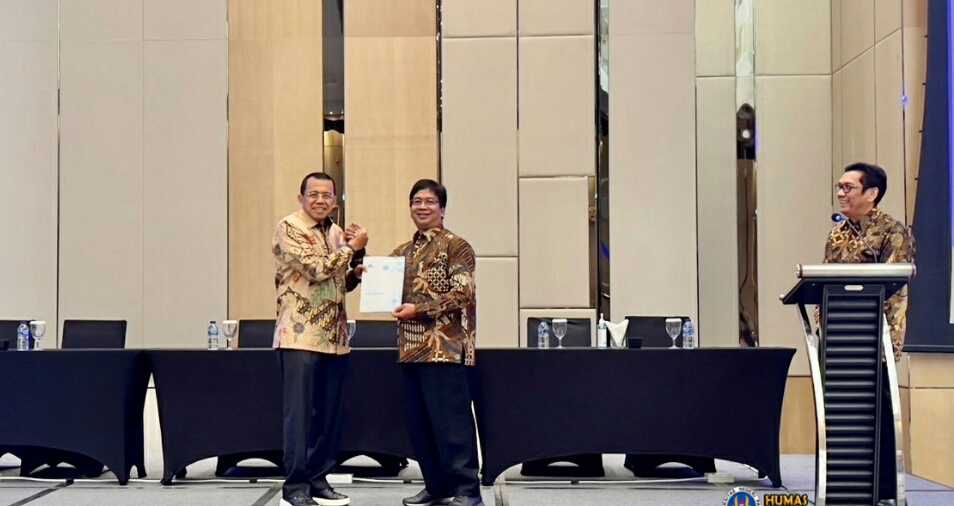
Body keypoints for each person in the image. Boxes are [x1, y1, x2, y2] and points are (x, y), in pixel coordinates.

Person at [272, 172, 368, 506]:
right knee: (299, 416)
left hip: (335, 338)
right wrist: (352, 249)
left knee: (329, 416)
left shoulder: (336, 232)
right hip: (299, 336)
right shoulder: (289, 227)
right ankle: (295, 486)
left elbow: (337, 281)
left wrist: (355, 271)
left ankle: (318, 478)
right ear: (301, 198)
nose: (320, 200)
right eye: (313, 194)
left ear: (335, 200)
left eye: (327, 195)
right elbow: (316, 270)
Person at [825, 163, 915, 506]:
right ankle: (842, 485)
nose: (840, 193)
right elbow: (823, 283)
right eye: (839, 186)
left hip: (878, 336)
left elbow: (895, 284)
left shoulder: (893, 231)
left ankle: (884, 490)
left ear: (872, 193)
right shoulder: (838, 233)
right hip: (841, 338)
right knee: (844, 414)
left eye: (848, 187)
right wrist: (824, 325)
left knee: (878, 410)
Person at [389, 179, 483, 506]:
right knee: (421, 426)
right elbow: (379, 279)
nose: (422, 207)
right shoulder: (402, 252)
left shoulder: (456, 246)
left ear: (442, 209)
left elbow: (462, 294)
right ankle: (437, 486)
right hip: (410, 349)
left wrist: (419, 310)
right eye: (417, 201)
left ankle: (468, 491)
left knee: (453, 426)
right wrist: (361, 266)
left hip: (446, 349)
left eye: (430, 201)